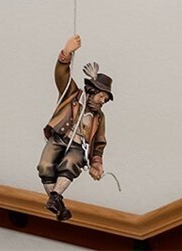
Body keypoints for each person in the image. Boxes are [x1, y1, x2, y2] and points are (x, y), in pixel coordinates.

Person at [37, 33, 114, 221]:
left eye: (105, 99)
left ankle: (55, 198)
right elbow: (61, 76)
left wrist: (97, 163)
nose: (103, 101)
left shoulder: (99, 117)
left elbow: (100, 143)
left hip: (78, 147)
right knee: (45, 166)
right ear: (92, 90)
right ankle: (57, 203)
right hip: (59, 138)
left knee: (71, 163)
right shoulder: (72, 95)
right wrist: (66, 53)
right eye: (102, 96)